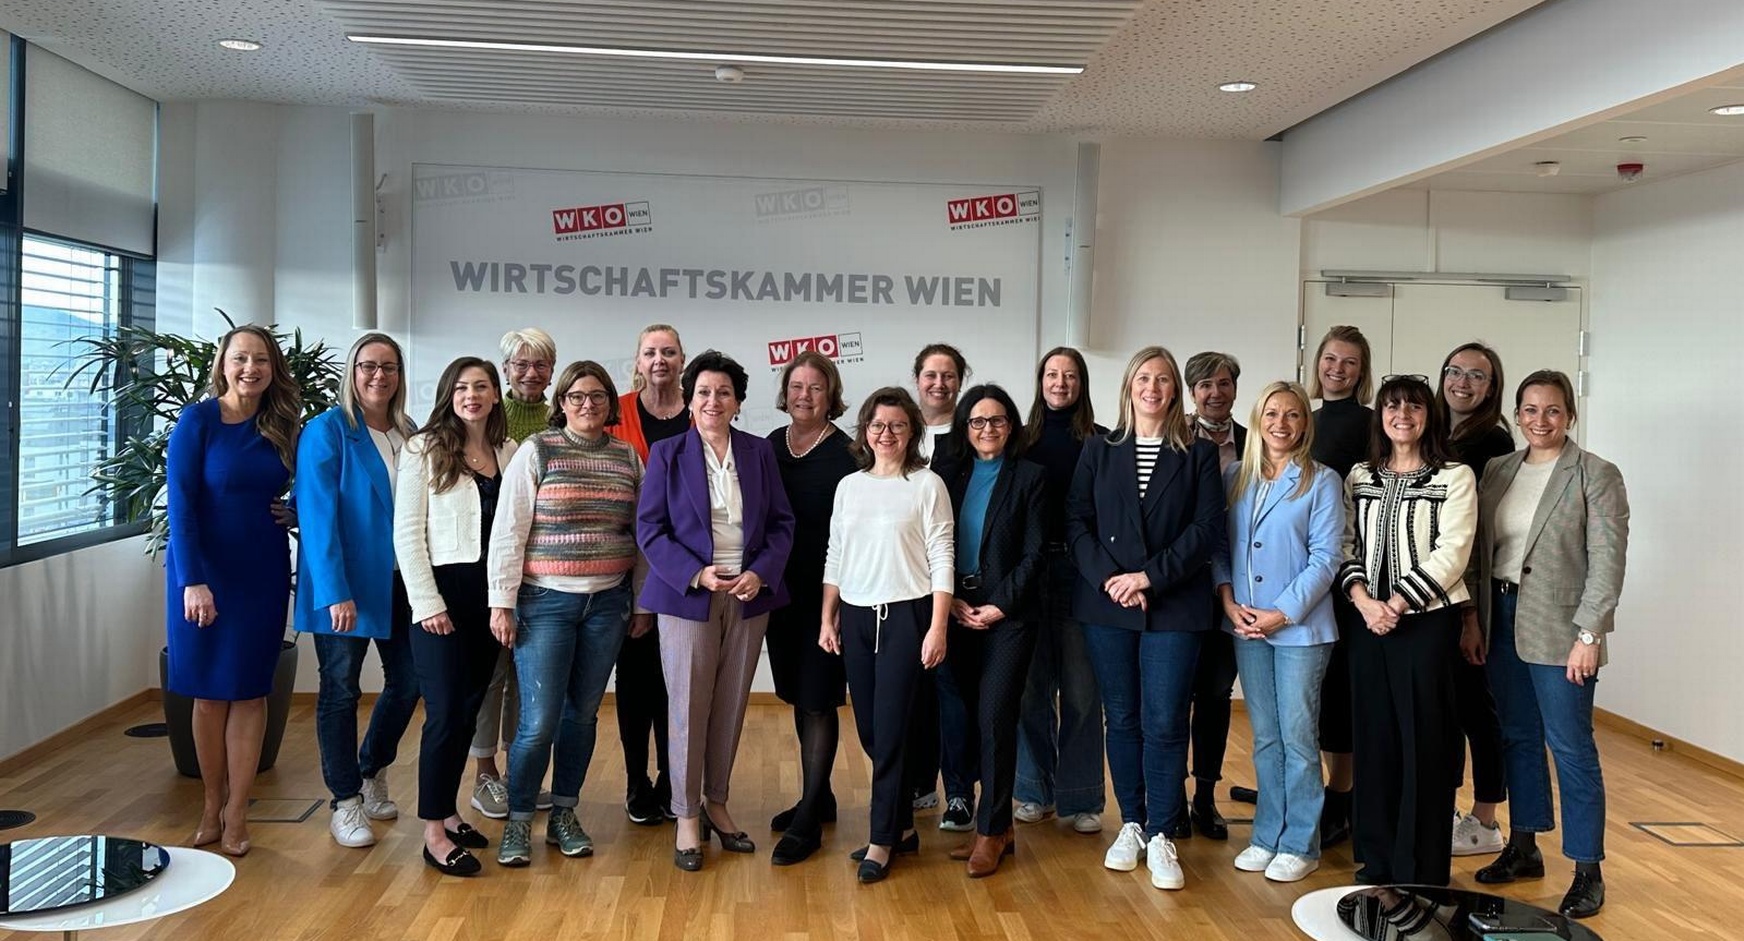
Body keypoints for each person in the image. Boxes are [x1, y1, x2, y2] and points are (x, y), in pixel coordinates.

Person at [1067, 346, 1225, 891]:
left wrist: (1148, 578)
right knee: (1123, 717)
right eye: (1143, 378)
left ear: (1175, 390)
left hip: (1174, 604)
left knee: (1164, 721)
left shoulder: (1200, 454)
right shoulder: (1098, 449)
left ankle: (1162, 832)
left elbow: (1206, 531)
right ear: (1129, 386)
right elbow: (1077, 522)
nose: (1152, 387)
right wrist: (1114, 579)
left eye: (1162, 379)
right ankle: (1130, 823)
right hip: (1107, 604)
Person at [1471, 370, 1628, 919]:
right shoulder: (1498, 469)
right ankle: (1523, 846)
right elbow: (1481, 553)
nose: (1541, 420)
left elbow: (1608, 562)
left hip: (1563, 630)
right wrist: (1474, 619)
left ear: (1570, 415)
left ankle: (1587, 869)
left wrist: (1590, 634)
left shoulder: (1596, 474)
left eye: (1553, 410)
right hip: (1502, 617)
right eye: (1531, 409)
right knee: (1516, 736)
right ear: (1517, 414)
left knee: (1572, 747)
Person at [639, 351, 796, 872]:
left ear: (738, 401)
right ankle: (686, 814)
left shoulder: (758, 452)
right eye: (704, 391)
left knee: (729, 704)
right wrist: (697, 573)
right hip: (689, 595)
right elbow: (650, 531)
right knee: (687, 705)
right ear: (690, 397)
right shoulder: (667, 453)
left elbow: (780, 524)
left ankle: (718, 803)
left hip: (749, 594)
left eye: (723, 392)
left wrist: (761, 573)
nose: (713, 400)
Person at [485, 361, 646, 868]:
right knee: (537, 723)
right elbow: (508, 531)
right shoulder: (537, 451)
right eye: (577, 396)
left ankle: (564, 814)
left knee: (581, 716)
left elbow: (640, 537)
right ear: (562, 402)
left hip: (608, 603)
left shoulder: (626, 457)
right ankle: (517, 821)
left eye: (598, 396)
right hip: (545, 602)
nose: (588, 405)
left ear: (609, 403)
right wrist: (501, 602)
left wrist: (640, 603)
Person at [164, 324, 300, 858]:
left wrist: (294, 513)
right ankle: (210, 804)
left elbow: (303, 488)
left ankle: (239, 811)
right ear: (223, 364)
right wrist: (192, 580)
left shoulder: (283, 423)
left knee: (249, 691)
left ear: (273, 368)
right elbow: (181, 504)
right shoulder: (196, 420)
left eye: (261, 360)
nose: (251, 368)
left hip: (260, 569)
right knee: (207, 693)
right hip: (203, 571)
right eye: (241, 358)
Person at [1339, 374, 1476, 887]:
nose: (1403, 415)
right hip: (1365, 622)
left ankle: (1418, 867)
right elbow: (1344, 543)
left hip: (1425, 625)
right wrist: (1364, 602)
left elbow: (1453, 552)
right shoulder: (1359, 476)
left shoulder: (1454, 476)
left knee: (1424, 743)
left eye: (1414, 407)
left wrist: (1394, 603)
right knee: (1372, 741)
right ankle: (1375, 860)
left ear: (1428, 416)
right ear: (1380, 415)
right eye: (1393, 406)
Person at [820, 387, 953, 884]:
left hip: (908, 613)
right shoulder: (849, 486)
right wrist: (827, 615)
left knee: (893, 728)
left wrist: (938, 625)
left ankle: (881, 839)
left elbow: (942, 556)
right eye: (878, 425)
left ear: (912, 431)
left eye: (898, 425)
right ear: (865, 432)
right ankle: (901, 827)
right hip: (855, 613)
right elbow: (836, 552)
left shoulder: (926, 484)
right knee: (873, 730)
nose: (887, 434)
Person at [1212, 381, 1343, 883]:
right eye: (1271, 414)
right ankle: (1267, 835)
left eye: (1292, 415)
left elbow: (1326, 558)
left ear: (1304, 424)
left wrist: (1282, 613)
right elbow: (1219, 548)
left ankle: (1300, 843)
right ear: (1258, 419)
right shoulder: (1235, 477)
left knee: (1298, 737)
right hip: (1245, 624)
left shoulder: (1321, 481)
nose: (1281, 424)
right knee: (1265, 737)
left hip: (1300, 630)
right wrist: (1227, 599)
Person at [393, 357, 518, 876]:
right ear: (449, 393)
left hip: (488, 599)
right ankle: (432, 834)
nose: (473, 395)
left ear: (495, 396)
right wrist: (428, 605)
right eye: (463, 386)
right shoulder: (424, 448)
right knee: (444, 713)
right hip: (441, 599)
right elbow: (407, 535)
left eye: (482, 386)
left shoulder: (508, 451)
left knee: (468, 711)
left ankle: (448, 811)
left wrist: (506, 598)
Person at [295, 332, 420, 851]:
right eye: (368, 366)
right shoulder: (328, 430)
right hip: (344, 586)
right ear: (352, 371)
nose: (378, 376)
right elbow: (316, 517)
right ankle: (344, 802)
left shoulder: (408, 431)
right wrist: (334, 591)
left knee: (410, 682)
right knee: (340, 691)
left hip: (400, 581)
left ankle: (370, 771)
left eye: (388, 367)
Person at [937, 384, 1046, 877]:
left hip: (1009, 616)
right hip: (956, 610)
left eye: (997, 420)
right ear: (965, 427)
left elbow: (1035, 553)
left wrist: (999, 605)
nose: (987, 430)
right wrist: (953, 601)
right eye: (978, 422)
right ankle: (998, 827)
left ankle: (989, 831)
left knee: (996, 717)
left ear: (1011, 426)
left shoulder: (1031, 478)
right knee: (967, 717)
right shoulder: (947, 476)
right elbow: (932, 542)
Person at [764, 351, 859, 865]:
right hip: (780, 593)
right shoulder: (768, 447)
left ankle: (809, 822)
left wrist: (841, 598)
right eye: (796, 386)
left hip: (829, 592)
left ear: (831, 394)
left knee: (820, 696)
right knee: (800, 694)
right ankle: (818, 795)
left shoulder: (849, 452)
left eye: (815, 388)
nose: (804, 395)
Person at [1013, 347, 1107, 835]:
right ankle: (1033, 790)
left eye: (1069, 375)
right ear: (1040, 381)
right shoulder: (1021, 439)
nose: (1060, 382)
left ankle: (1082, 798)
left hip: (1080, 573)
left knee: (1081, 691)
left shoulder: (1103, 441)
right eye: (1051, 373)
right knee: (1030, 689)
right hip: (1029, 572)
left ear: (1082, 383)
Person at [468, 327, 559, 820]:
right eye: (520, 364)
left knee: (532, 676)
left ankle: (519, 773)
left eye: (540, 364)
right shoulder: (485, 413)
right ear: (504, 369)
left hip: (545, 573)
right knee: (492, 674)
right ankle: (485, 774)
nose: (530, 373)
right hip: (491, 567)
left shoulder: (558, 418)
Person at [608, 323, 690, 824]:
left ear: (683, 360)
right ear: (637, 362)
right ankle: (637, 781)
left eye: (669, 352)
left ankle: (672, 780)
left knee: (678, 686)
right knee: (636, 683)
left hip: (687, 573)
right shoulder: (613, 411)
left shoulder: (700, 411)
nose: (659, 359)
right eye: (650, 352)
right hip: (626, 568)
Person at [1437, 341, 1515, 858]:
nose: (1463, 383)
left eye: (1477, 376)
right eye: (1455, 371)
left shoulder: (1491, 442)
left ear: (1493, 388)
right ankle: (1447, 811)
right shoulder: (1440, 432)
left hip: (1469, 595)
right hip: (1438, 592)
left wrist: (1469, 616)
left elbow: (1471, 538)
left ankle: (1485, 820)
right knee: (1451, 707)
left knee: (1476, 709)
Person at [1306, 324, 1375, 848]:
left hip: (1356, 576)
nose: (1338, 369)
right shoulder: (1302, 420)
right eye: (1331, 359)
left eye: (1349, 362)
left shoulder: (1374, 425)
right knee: (1315, 692)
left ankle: (1345, 795)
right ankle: (1318, 793)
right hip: (1306, 575)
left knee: (1348, 692)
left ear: (1361, 370)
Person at [1180, 350, 1246, 840]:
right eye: (1205, 385)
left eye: (1223, 383)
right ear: (1191, 391)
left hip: (1236, 585)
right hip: (1181, 583)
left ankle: (1205, 796)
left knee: (1217, 693)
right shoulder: (1172, 438)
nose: (1215, 393)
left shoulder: (1256, 441)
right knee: (1171, 695)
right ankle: (1170, 797)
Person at [910, 342, 969, 818]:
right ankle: (917, 783)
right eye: (931, 374)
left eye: (948, 375)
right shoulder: (900, 433)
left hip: (954, 583)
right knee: (912, 691)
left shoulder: (970, 436)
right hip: (903, 580)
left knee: (951, 689)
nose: (939, 383)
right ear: (917, 380)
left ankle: (958, 792)